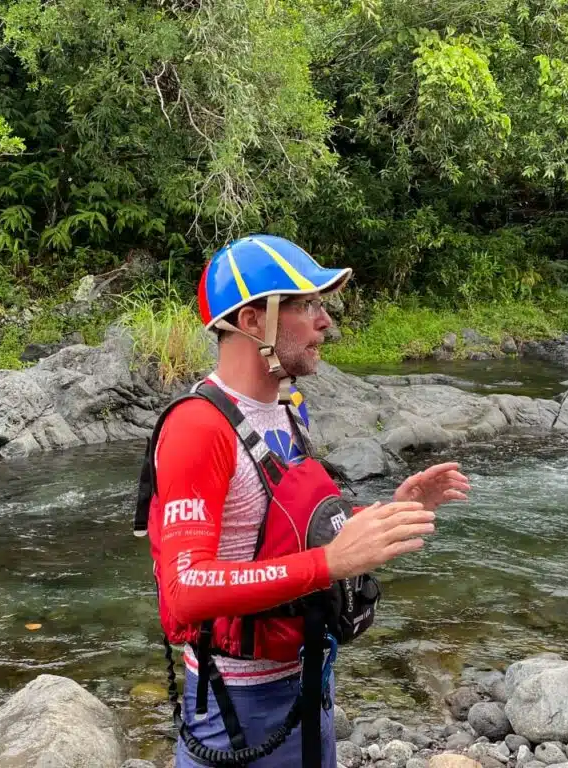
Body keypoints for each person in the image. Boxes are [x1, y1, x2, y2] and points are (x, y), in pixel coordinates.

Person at [133, 235, 470, 767]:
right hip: (235, 710)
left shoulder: (289, 409)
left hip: (308, 681)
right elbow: (184, 591)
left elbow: (292, 526)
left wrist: (390, 511)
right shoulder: (199, 429)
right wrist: (330, 564)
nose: (325, 322)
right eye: (306, 305)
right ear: (252, 321)